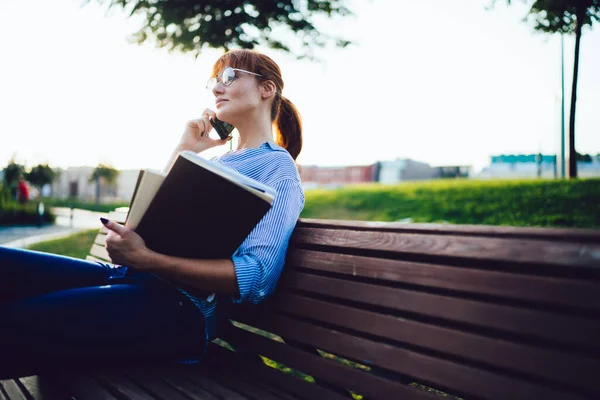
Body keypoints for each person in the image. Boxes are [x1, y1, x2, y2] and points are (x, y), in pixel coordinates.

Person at [0, 49, 305, 379]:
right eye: (214, 81)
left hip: (179, 310)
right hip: (129, 279)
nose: (217, 88)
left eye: (229, 78)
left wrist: (147, 260)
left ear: (266, 89)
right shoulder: (216, 162)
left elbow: (257, 277)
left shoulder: (279, 170)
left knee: (18, 322)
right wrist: (184, 150)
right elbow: (149, 221)